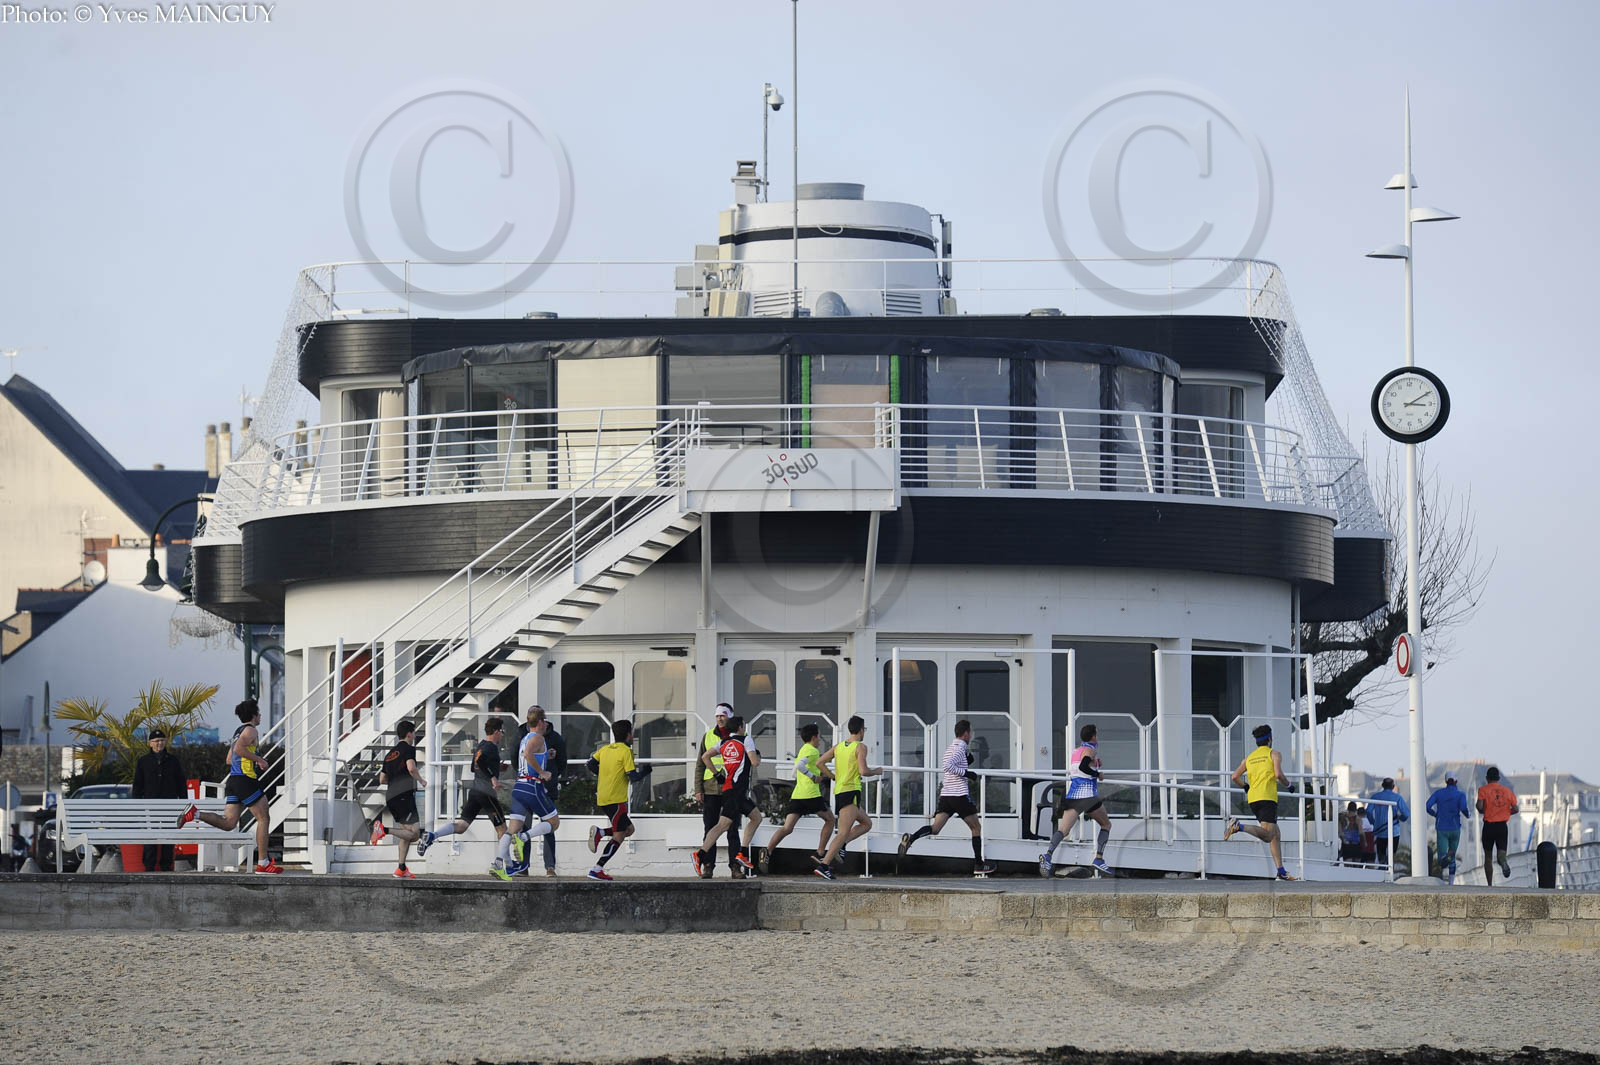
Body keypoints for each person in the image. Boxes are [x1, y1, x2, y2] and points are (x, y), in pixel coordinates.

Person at [177, 699, 283, 874]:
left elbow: (229, 759)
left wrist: (248, 759)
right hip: (245, 780)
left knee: (229, 823)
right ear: (253, 715)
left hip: (234, 780)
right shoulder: (251, 730)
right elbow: (239, 750)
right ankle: (263, 863)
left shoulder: (237, 732)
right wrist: (259, 760)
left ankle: (195, 813)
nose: (260, 716)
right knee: (264, 818)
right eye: (258, 713)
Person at [898, 719, 997, 877]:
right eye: (970, 732)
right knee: (976, 828)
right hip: (959, 795)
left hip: (946, 796)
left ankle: (911, 838)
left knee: (935, 829)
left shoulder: (951, 748)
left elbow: (955, 763)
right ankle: (979, 864)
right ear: (966, 733)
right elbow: (948, 766)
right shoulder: (959, 748)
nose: (971, 735)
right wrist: (968, 774)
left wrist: (967, 761)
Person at [416, 717, 509, 877]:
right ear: (495, 732)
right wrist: (493, 777)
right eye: (502, 731)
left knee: (461, 826)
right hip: (486, 793)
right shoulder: (491, 747)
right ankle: (500, 865)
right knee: (502, 829)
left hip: (475, 791)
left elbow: (474, 766)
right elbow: (481, 762)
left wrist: (497, 767)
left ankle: (432, 835)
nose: (502, 735)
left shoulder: (481, 745)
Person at [1038, 723, 1113, 877]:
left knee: (1063, 830)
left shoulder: (1076, 751)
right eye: (1096, 734)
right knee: (1106, 824)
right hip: (1087, 796)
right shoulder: (1090, 750)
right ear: (1093, 737)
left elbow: (1080, 767)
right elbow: (1084, 767)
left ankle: (1048, 856)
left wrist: (1096, 763)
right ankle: (1099, 858)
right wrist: (1097, 774)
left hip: (1073, 796)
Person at [814, 716, 883, 880]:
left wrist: (833, 776)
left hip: (841, 791)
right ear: (861, 730)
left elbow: (819, 763)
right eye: (864, 730)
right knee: (843, 832)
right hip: (850, 792)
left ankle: (842, 846)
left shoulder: (838, 747)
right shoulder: (860, 747)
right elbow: (863, 771)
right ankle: (824, 865)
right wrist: (877, 771)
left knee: (867, 824)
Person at [692, 715, 763, 877]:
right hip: (736, 791)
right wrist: (756, 754)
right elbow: (755, 762)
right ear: (740, 727)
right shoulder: (746, 740)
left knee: (756, 818)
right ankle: (700, 855)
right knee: (722, 826)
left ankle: (741, 853)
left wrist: (717, 774)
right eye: (743, 725)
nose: (744, 728)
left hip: (731, 790)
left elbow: (705, 757)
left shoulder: (723, 743)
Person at [760, 722, 835, 873]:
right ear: (814, 737)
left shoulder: (803, 749)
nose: (820, 739)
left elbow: (796, 770)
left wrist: (810, 775)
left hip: (798, 794)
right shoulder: (813, 751)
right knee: (830, 820)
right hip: (811, 794)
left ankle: (767, 851)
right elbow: (800, 766)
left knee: (787, 828)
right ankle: (820, 853)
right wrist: (813, 777)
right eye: (819, 736)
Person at [1224, 723, 1295, 881]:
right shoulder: (1274, 754)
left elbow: (1235, 776)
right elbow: (1278, 775)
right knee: (1268, 836)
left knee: (1275, 834)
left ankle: (1281, 871)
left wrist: (1245, 787)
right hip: (1267, 798)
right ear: (1270, 739)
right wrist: (1289, 786)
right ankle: (1238, 826)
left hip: (1253, 798)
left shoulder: (1249, 758)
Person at [584, 718, 652, 881]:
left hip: (603, 796)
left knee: (629, 830)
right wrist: (646, 771)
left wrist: (605, 774)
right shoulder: (626, 751)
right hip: (616, 799)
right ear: (629, 735)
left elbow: (590, 764)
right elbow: (633, 777)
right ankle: (597, 869)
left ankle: (601, 833)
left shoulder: (605, 749)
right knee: (619, 836)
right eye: (632, 733)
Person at [498, 711, 559, 880]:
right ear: (539, 722)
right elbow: (528, 754)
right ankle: (524, 839)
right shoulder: (538, 738)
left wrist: (546, 755)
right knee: (553, 823)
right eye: (544, 721)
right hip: (532, 786)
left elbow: (526, 755)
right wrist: (543, 772)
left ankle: (497, 865)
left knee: (512, 829)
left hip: (519, 785)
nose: (546, 724)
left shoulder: (525, 738)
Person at [369, 720, 426, 878]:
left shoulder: (389, 754)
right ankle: (383, 830)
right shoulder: (409, 749)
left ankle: (401, 868)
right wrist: (421, 780)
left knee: (405, 833)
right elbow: (411, 768)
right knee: (414, 834)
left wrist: (396, 780)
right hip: (403, 796)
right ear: (409, 734)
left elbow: (382, 779)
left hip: (391, 796)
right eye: (414, 733)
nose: (414, 736)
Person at [692, 703, 740, 879]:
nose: (720, 719)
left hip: (732, 788)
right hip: (711, 788)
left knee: (733, 830)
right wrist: (698, 789)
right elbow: (700, 764)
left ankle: (735, 867)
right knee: (710, 828)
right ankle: (708, 865)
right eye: (718, 716)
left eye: (723, 715)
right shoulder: (708, 736)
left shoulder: (739, 736)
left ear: (730, 716)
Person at [131, 728, 187, 872]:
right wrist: (137, 803)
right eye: (156, 741)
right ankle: (149, 865)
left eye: (161, 740)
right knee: (151, 836)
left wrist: (183, 802)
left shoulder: (173, 761)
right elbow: (138, 784)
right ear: (150, 743)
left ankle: (166, 865)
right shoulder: (143, 761)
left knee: (169, 835)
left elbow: (181, 782)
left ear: (165, 742)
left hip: (170, 804)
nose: (159, 743)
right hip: (150, 804)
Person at [1476, 766, 1519, 886]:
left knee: (1488, 857)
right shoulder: (1507, 791)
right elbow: (1516, 809)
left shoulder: (1483, 790)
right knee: (1501, 853)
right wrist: (1506, 812)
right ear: (1499, 778)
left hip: (1489, 827)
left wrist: (1483, 810)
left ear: (1487, 778)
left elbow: (1479, 806)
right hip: (1502, 827)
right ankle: (1503, 862)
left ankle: (1489, 884)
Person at [1426, 773, 1472, 882]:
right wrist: (1468, 815)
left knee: (1442, 860)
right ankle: (1451, 882)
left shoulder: (1438, 793)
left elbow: (1427, 806)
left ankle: (1447, 857)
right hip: (1455, 828)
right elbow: (1463, 808)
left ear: (1446, 781)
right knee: (1452, 856)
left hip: (1442, 828)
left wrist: (1435, 814)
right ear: (1456, 781)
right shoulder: (1461, 795)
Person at [1367, 777, 1411, 868]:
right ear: (1393, 786)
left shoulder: (1375, 796)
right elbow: (1406, 814)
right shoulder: (1397, 797)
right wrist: (1400, 818)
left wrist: (1373, 822)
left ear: (1382, 786)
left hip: (1380, 832)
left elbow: (1368, 812)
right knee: (1391, 856)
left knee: (1381, 857)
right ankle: (1390, 871)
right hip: (1394, 831)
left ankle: (1382, 870)